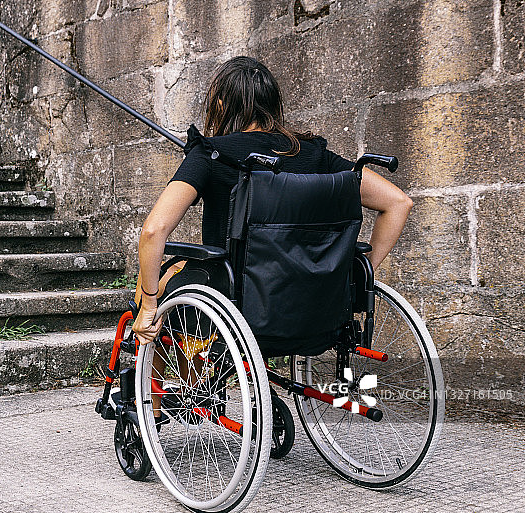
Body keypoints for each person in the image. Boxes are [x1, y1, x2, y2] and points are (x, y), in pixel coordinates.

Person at [132, 56, 413, 346]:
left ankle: (157, 388)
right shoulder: (314, 154)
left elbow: (153, 231)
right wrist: (352, 277)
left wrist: (150, 303)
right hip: (307, 297)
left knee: (157, 279)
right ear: (272, 103)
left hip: (237, 298)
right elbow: (398, 202)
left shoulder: (211, 154)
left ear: (220, 105)